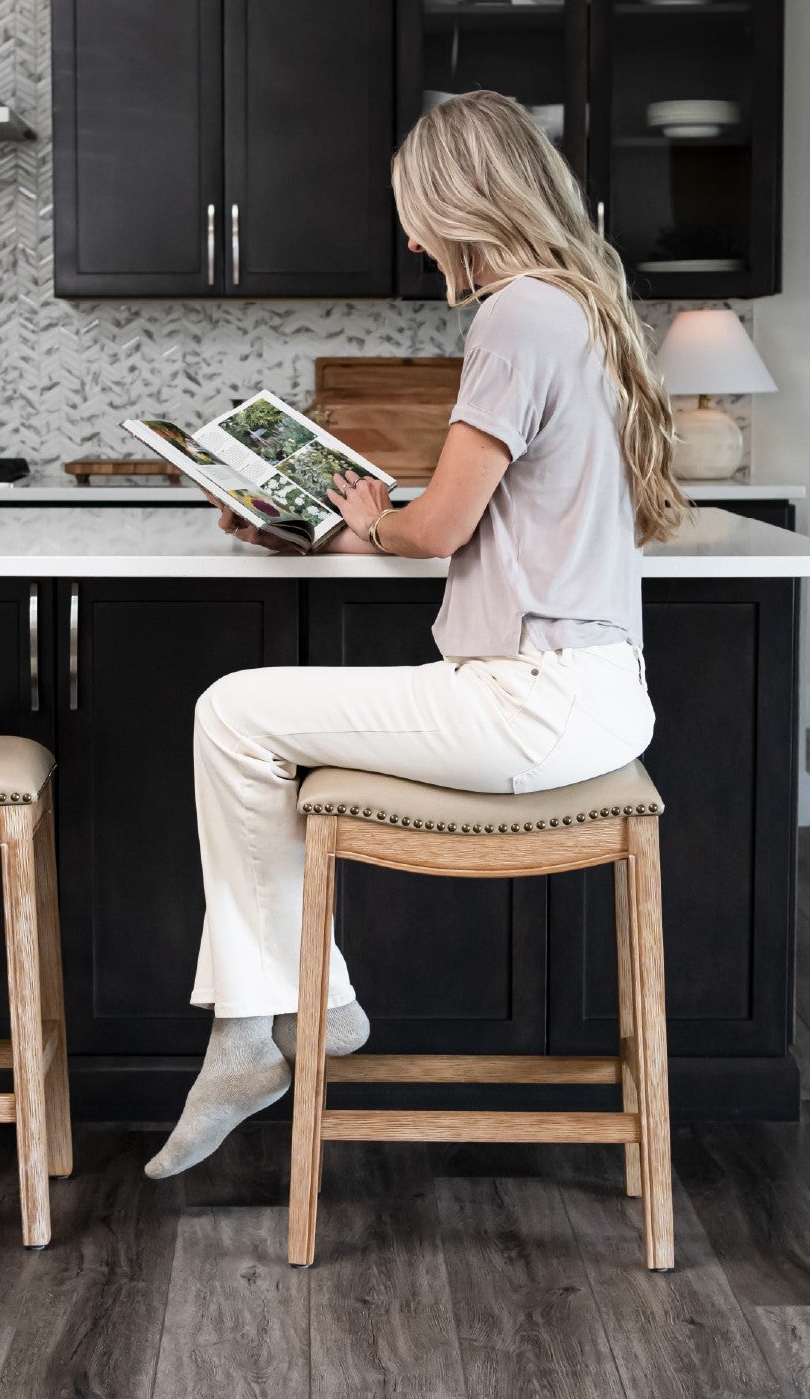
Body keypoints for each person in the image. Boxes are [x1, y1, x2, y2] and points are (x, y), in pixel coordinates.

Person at [145, 90, 690, 1180]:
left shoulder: (514, 316)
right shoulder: (581, 309)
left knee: (229, 711)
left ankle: (285, 1018)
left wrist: (369, 515)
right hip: (596, 695)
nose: (409, 238)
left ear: (460, 202)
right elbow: (482, 528)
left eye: (415, 212)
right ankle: (259, 1026)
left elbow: (436, 527)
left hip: (526, 701)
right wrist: (321, 528)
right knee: (247, 719)